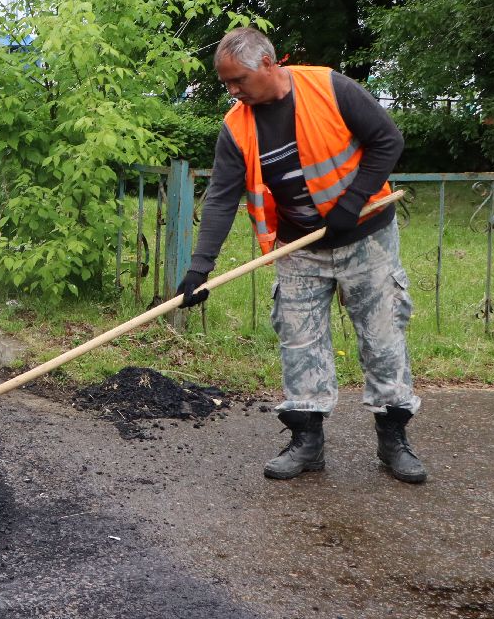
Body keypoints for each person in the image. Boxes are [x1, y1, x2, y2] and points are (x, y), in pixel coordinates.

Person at [176, 26, 425, 484]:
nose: (232, 91)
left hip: (365, 236)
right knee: (299, 342)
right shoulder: (236, 126)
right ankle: (307, 443)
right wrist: (199, 268)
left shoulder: (329, 87)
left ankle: (394, 441)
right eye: (226, 83)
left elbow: (387, 140)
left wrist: (352, 202)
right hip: (298, 245)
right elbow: (220, 197)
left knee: (383, 336)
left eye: (238, 81)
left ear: (268, 64)